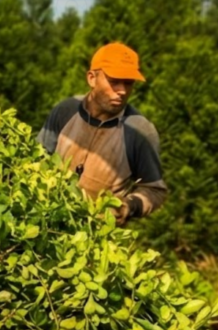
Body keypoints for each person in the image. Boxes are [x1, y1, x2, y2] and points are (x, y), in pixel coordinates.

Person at [37, 42, 167, 225]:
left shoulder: (139, 131)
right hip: (46, 223)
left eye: (128, 83)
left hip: (95, 236)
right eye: (114, 82)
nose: (122, 91)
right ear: (91, 78)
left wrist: (129, 206)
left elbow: (155, 190)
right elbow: (36, 159)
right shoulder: (65, 110)